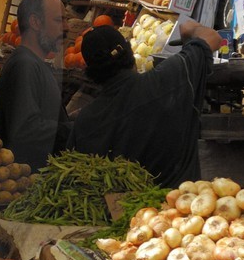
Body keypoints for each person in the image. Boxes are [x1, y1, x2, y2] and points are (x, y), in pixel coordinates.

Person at [68, 20, 227, 186]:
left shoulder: (85, 122)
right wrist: (189, 31)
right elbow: (212, 37)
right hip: (180, 200)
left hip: (120, 203)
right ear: (130, 52)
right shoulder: (170, 77)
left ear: (89, 72)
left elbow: (78, 178)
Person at [0, 0, 70, 172]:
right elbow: (26, 129)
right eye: (59, 20)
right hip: (27, 179)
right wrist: (76, 129)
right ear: (35, 22)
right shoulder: (24, 65)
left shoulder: (33, 63)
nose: (66, 27)